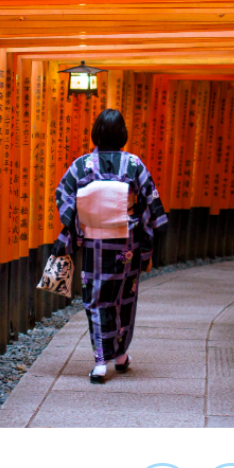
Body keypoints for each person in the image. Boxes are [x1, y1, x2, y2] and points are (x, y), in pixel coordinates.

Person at [53, 108, 169, 384]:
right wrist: (148, 236)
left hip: (95, 240)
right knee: (124, 297)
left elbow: (63, 194)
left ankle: (100, 362)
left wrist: (79, 223)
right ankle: (119, 354)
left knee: (96, 299)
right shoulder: (134, 164)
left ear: (96, 133)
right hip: (126, 242)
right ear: (122, 134)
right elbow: (150, 202)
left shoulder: (82, 165)